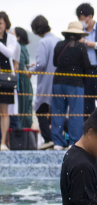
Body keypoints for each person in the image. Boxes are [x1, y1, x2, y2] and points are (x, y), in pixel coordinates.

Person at [51, 22, 93, 149]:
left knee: (58, 112)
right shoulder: (81, 47)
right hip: (75, 83)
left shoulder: (59, 45)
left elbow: (54, 62)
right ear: (78, 35)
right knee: (75, 113)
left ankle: (58, 142)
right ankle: (73, 142)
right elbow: (86, 65)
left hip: (58, 82)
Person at [31, 15, 59, 149]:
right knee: (56, 110)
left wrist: (31, 70)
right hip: (58, 80)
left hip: (46, 81)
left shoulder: (43, 43)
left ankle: (48, 139)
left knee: (40, 109)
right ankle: (58, 138)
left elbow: (41, 64)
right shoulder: (58, 40)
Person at [0, 12, 17, 150]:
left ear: (6, 24)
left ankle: (3, 142)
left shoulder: (10, 38)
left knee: (4, 110)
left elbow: (9, 53)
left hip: (5, 78)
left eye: (0, 23)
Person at [14, 27, 33, 129]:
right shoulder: (24, 47)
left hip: (21, 81)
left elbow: (20, 67)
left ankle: (19, 131)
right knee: (27, 108)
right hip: (26, 81)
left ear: (18, 37)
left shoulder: (19, 48)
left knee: (21, 108)